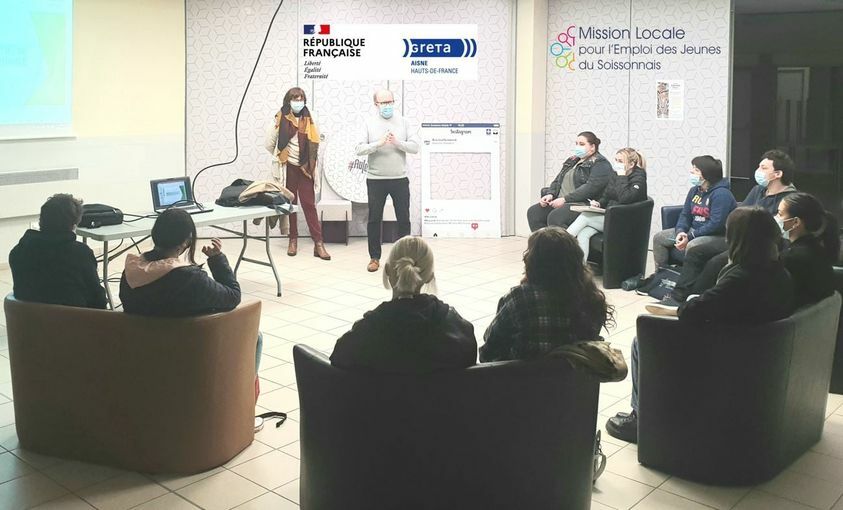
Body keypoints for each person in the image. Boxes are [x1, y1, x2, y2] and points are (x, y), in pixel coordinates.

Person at [609, 207, 795, 443]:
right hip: (759, 352)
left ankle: (641, 418)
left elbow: (691, 312)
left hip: (727, 350)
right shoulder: (779, 272)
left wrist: (692, 302)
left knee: (641, 341)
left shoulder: (740, 276)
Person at [119, 209, 262, 379]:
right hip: (190, 357)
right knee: (257, 337)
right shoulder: (189, 279)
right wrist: (217, 259)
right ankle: (245, 392)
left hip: (141, 356)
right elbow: (233, 296)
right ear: (186, 241)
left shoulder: (130, 272)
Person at [331, 236, 476, 373]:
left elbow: (336, 365)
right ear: (429, 276)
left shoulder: (362, 334)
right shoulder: (460, 332)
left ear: (388, 270)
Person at [479, 227, 615, 362]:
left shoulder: (520, 298)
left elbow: (490, 347)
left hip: (524, 375)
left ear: (533, 262)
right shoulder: (591, 297)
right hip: (574, 374)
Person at [692, 150, 798, 293]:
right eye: (759, 166)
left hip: (760, 247)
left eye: (764, 168)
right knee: (696, 251)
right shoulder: (757, 190)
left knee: (715, 263)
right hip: (739, 239)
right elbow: (739, 214)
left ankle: (698, 299)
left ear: (777, 174)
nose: (758, 171)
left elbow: (780, 231)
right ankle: (680, 294)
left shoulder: (790, 200)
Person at [647, 156, 737, 311]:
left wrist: (690, 237)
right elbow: (685, 215)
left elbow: (716, 224)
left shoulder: (722, 194)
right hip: (692, 231)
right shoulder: (694, 190)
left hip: (717, 236)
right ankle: (661, 276)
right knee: (659, 238)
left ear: (706, 174)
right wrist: (681, 231)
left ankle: (686, 287)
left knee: (693, 245)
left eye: (696, 170)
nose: (691, 172)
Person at [355, 89, 419, 273]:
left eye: (390, 102)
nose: (387, 106)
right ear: (376, 104)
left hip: (399, 179)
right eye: (383, 103)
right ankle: (374, 258)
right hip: (376, 179)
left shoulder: (404, 122)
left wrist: (397, 143)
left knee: (403, 219)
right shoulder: (368, 123)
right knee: (374, 219)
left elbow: (415, 147)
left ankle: (405, 259)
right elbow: (359, 149)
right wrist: (379, 143)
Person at [264, 87, 330, 260]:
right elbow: (269, 144)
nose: (298, 102)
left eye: (301, 99)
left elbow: (316, 140)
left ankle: (318, 243)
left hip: (305, 167)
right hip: (288, 168)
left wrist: (307, 160)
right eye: (295, 99)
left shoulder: (311, 117)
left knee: (309, 204)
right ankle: (292, 239)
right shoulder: (280, 118)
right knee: (290, 205)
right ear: (288, 100)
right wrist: (282, 155)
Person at [10, 194, 106, 309]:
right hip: (73, 319)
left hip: (27, 319)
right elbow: (98, 300)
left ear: (41, 221)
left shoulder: (18, 252)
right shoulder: (81, 254)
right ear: (73, 225)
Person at [565, 148, 648, 263]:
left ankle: (560, 246)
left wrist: (622, 176)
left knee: (585, 217)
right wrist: (599, 203)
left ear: (631, 164)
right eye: (616, 160)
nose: (617, 163)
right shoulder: (615, 174)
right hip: (611, 215)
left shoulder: (639, 178)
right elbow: (607, 195)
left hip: (625, 221)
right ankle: (580, 268)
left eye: (620, 161)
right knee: (584, 234)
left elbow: (625, 198)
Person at [526, 131, 612, 231]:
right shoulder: (572, 160)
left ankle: (562, 241)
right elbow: (558, 179)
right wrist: (550, 194)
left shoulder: (600, 163)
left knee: (556, 216)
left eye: (582, 144)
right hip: (561, 201)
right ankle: (542, 241)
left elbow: (591, 187)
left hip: (581, 203)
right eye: (576, 144)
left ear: (592, 147)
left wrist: (565, 199)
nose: (578, 147)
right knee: (534, 212)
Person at [776, 192, 839, 308]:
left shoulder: (791, 259)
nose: (776, 218)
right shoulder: (820, 251)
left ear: (796, 222)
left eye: (780, 214)